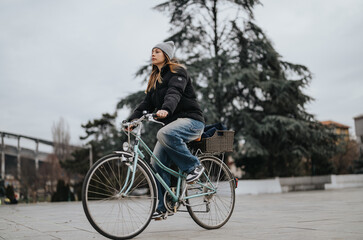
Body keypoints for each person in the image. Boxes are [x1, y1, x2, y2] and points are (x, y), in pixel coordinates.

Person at [127, 41, 205, 219]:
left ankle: (194, 166)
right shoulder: (155, 80)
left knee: (163, 133)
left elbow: (174, 92)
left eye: (157, 51)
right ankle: (165, 206)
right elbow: (145, 104)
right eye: (152, 51)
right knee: (156, 163)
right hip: (172, 126)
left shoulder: (178, 72)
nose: (153, 54)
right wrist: (132, 119)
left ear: (166, 55)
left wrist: (166, 109)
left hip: (191, 121)